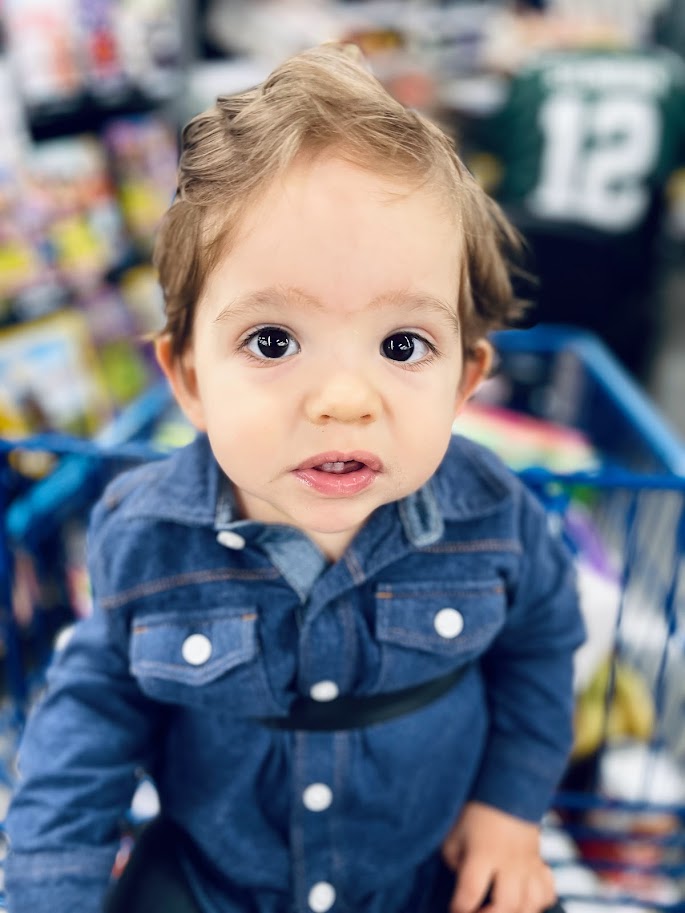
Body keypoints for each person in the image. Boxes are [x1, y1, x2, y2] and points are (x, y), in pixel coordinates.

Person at [4, 44, 585, 913]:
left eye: (401, 345)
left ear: (465, 380)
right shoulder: (149, 533)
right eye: (272, 341)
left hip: (420, 875)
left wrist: (508, 807)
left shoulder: (493, 517)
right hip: (212, 880)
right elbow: (83, 728)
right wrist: (51, 890)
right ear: (190, 378)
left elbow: (540, 646)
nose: (344, 400)